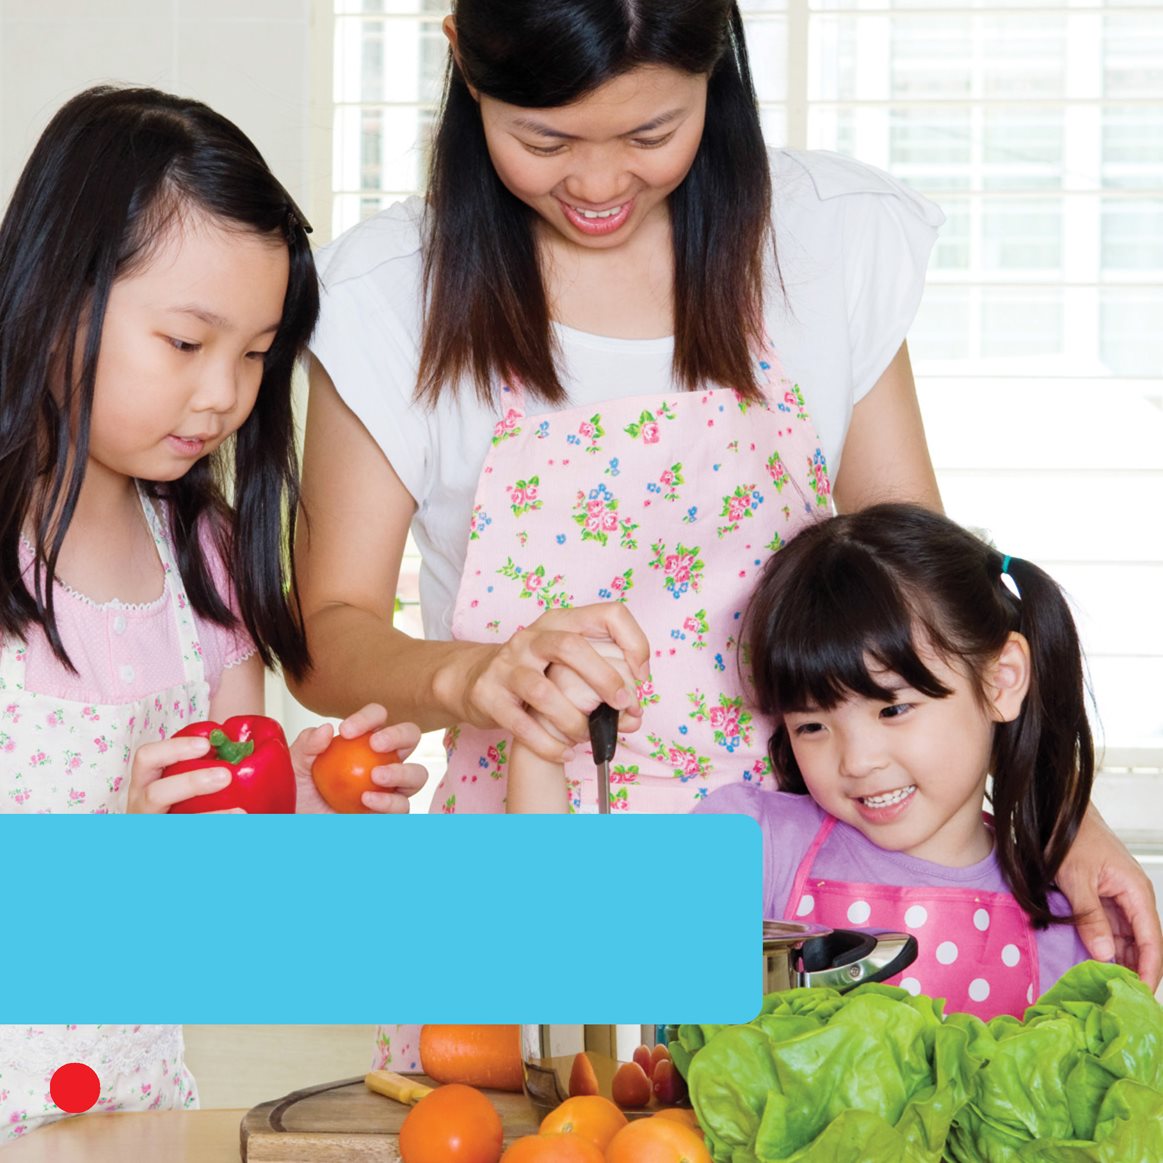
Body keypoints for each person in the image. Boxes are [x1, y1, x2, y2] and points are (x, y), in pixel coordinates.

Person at [291, 0, 1158, 1059]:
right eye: (544, 138)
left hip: (810, 894)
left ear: (718, 70)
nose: (599, 184)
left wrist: (1053, 813)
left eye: (652, 132)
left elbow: (927, 600)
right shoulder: (393, 295)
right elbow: (324, 636)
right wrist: (474, 677)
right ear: (462, 62)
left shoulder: (819, 243)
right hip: (527, 874)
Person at [0, 86, 427, 1140]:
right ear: (57, 292)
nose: (225, 397)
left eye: (254, 353)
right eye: (187, 343)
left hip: (134, 1116)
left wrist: (314, 810)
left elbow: (233, 900)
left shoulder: (206, 565)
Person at [690, 504, 1116, 1017]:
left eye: (893, 708)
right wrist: (559, 756)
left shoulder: (1067, 917)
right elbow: (581, 963)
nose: (857, 761)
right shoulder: (750, 841)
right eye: (811, 726)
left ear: (1002, 679)